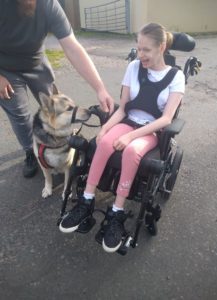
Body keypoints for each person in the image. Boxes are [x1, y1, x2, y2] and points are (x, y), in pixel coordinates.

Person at [59, 23, 185, 253]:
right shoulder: (134, 67)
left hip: (151, 130)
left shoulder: (176, 77)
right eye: (138, 48)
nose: (141, 55)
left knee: (131, 150)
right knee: (103, 143)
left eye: (146, 49)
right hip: (128, 121)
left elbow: (167, 119)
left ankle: (116, 213)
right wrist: (105, 128)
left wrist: (131, 137)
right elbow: (123, 109)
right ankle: (86, 201)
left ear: (161, 47)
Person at [0, 0, 114, 178]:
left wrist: (100, 88)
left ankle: (61, 141)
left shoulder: (48, 4)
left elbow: (72, 47)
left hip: (35, 60)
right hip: (4, 68)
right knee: (19, 114)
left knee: (56, 106)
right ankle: (31, 151)